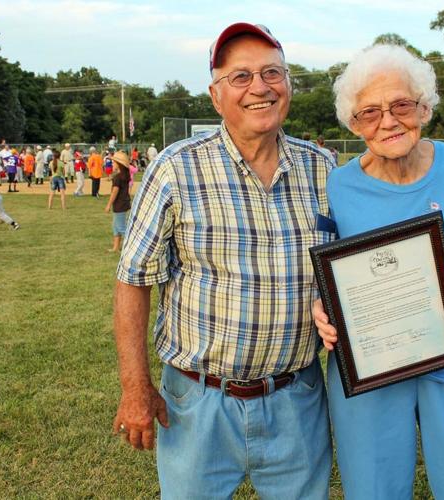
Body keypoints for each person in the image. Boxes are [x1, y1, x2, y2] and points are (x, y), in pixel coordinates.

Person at [112, 22, 333, 499]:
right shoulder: (175, 167)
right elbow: (133, 281)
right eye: (241, 76)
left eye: (272, 73)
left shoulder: (323, 168)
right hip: (199, 399)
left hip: (297, 396)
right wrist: (135, 389)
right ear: (216, 96)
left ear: (289, 85)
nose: (260, 87)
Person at [314, 44, 444, 499]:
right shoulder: (337, 184)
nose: (388, 121)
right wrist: (321, 306)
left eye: (401, 104)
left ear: (424, 106)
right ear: (353, 123)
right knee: (374, 489)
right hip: (369, 363)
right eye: (369, 112)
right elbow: (329, 275)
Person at [104, 151, 132, 252]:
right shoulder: (124, 176)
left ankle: (133, 247)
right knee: (116, 227)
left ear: (119, 164)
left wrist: (108, 205)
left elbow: (114, 192)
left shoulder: (117, 178)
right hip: (124, 203)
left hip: (119, 205)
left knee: (121, 227)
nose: (113, 164)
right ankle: (116, 247)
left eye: (114, 162)